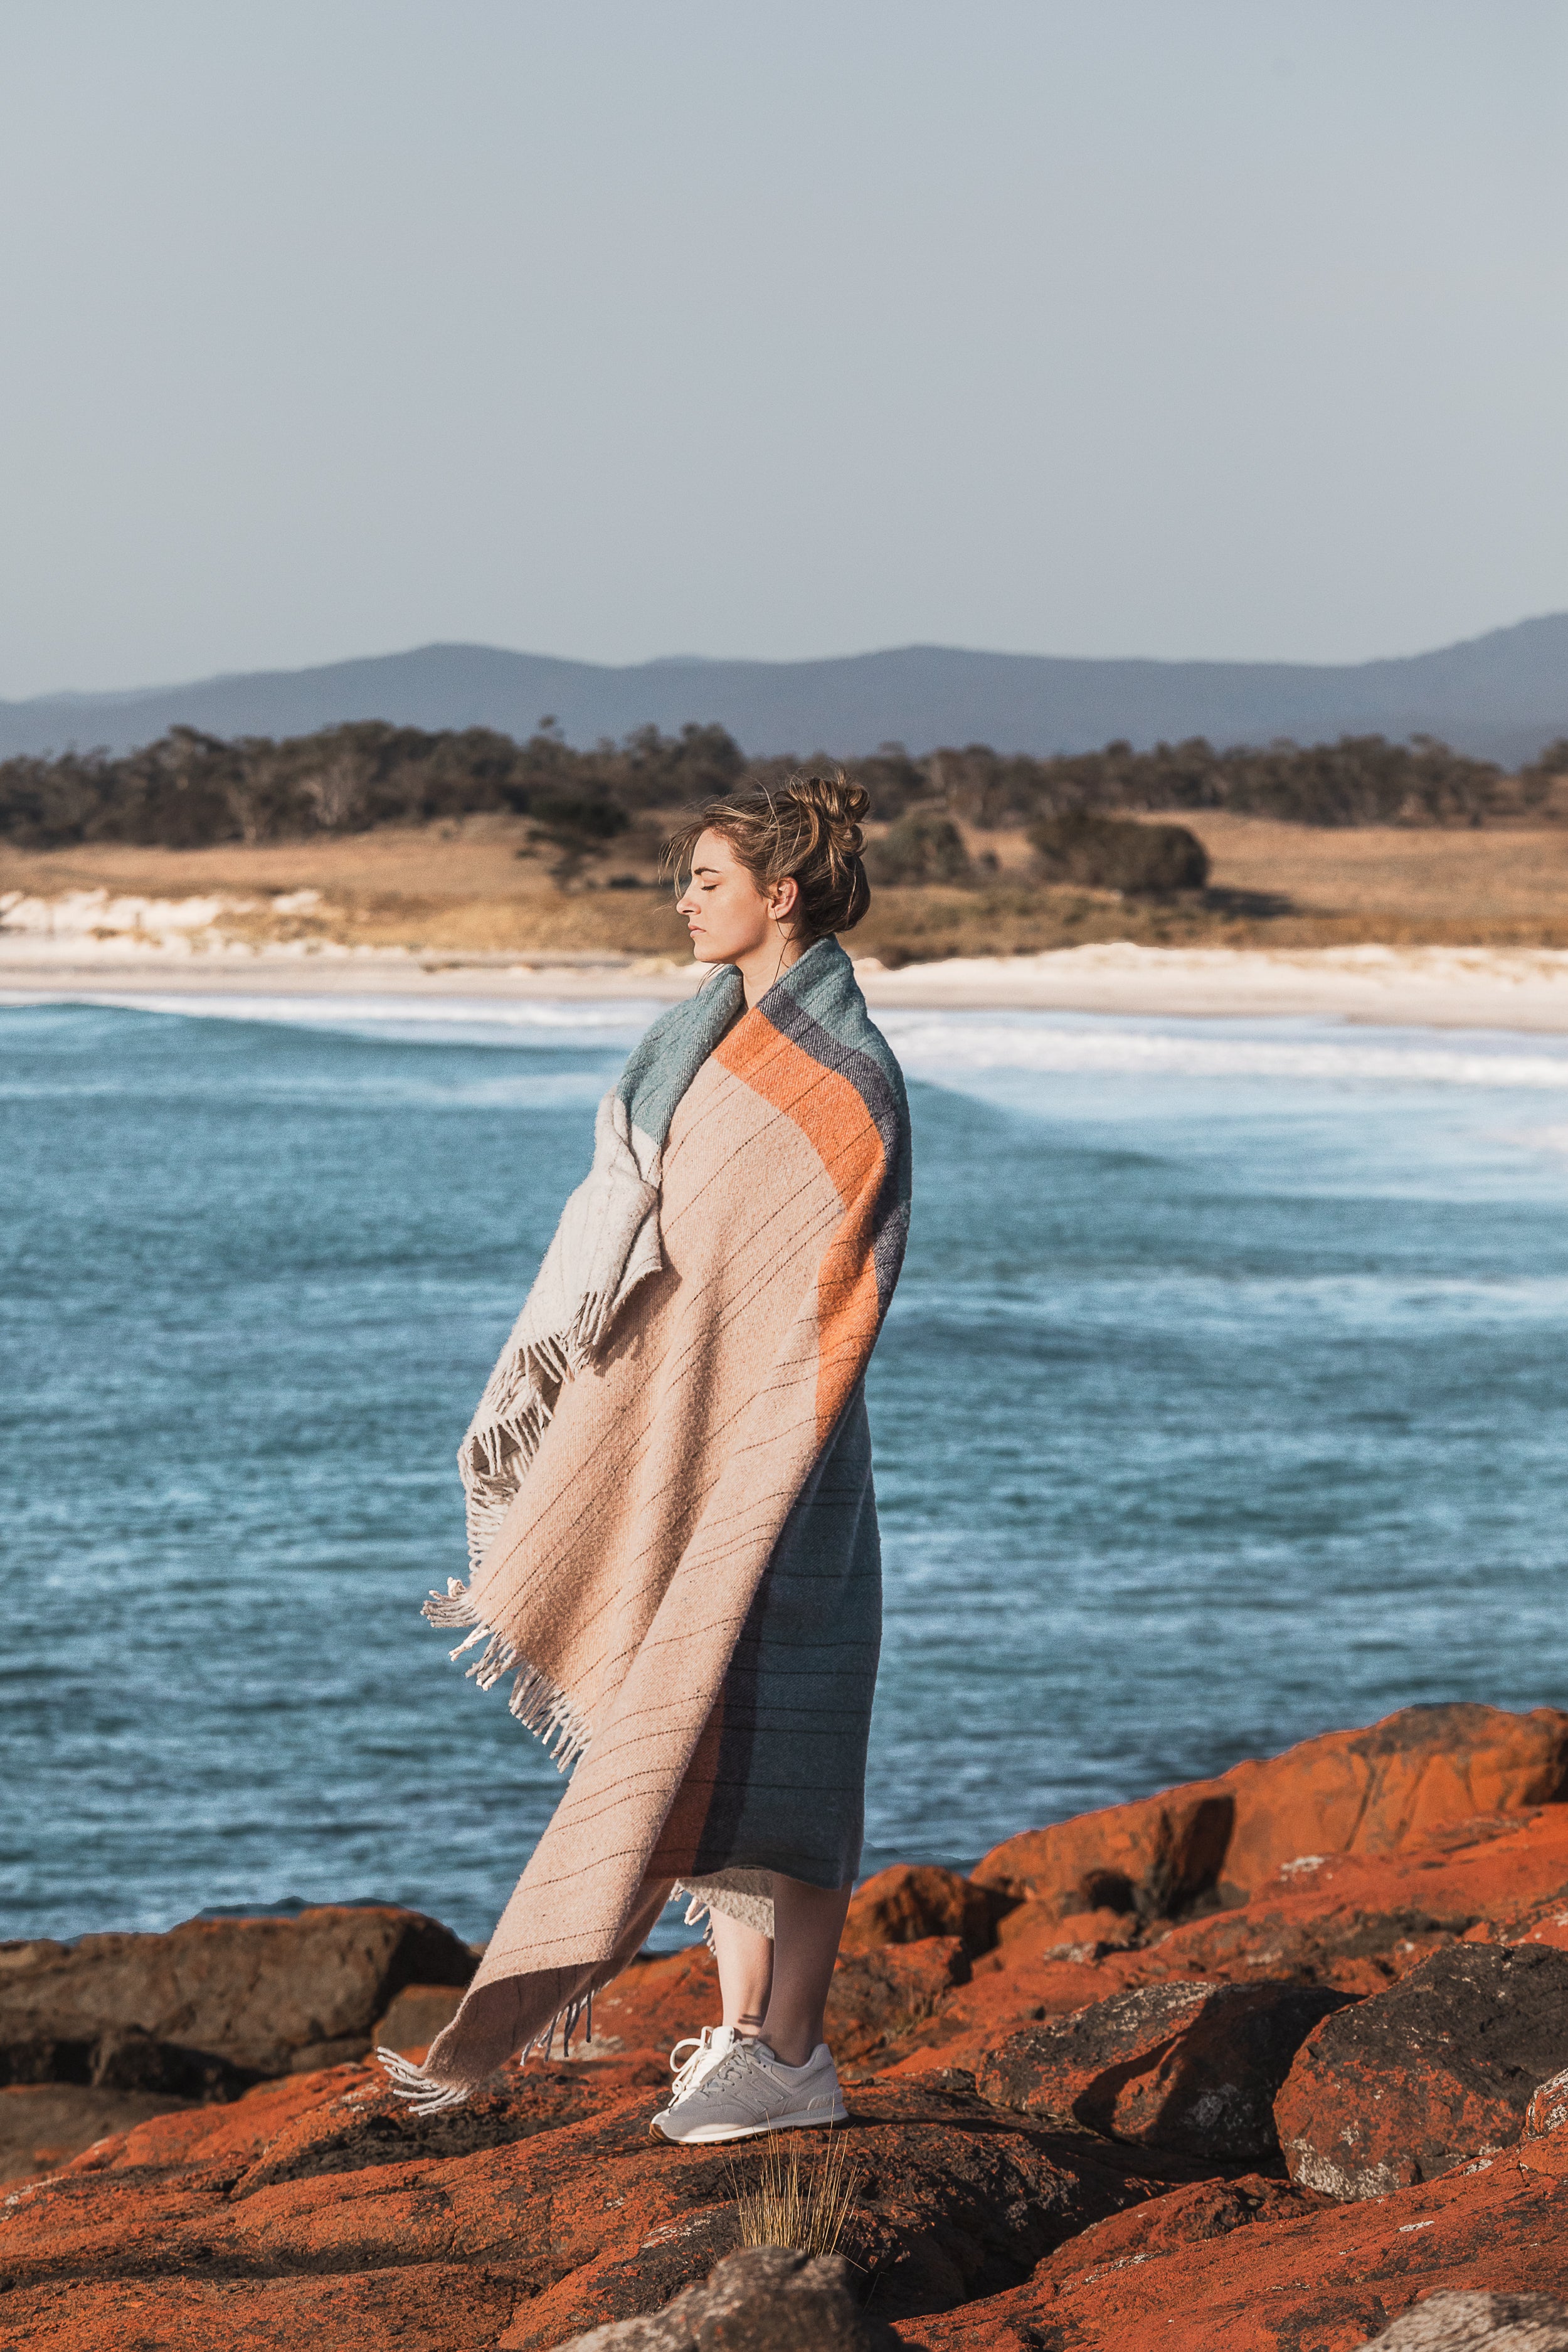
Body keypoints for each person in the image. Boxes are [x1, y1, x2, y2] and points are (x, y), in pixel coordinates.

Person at [381, 771, 911, 2147]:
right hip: (689, 1435)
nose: (681, 900)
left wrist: (756, 1424)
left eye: (706, 881)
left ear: (778, 895)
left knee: (790, 1753)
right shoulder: (691, 1045)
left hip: (785, 1453)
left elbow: (835, 1278)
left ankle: (794, 2052)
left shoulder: (848, 1081)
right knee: (703, 1746)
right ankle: (744, 2040)